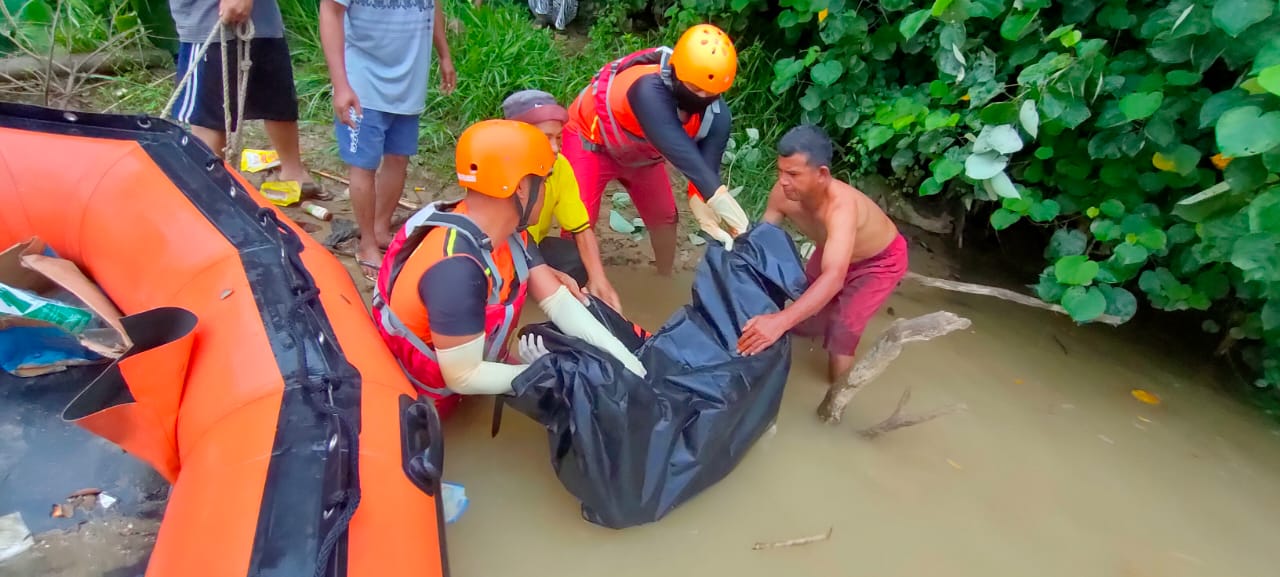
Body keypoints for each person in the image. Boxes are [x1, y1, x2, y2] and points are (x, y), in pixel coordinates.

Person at [371, 119, 646, 419]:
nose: (549, 190)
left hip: (464, 359)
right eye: (546, 179)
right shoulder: (456, 270)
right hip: (429, 396)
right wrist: (549, 372)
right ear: (521, 189)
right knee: (563, 393)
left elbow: (559, 302)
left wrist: (625, 360)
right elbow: (463, 377)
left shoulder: (507, 232)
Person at [563, 23, 750, 276]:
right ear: (675, 71)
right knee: (579, 220)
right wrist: (720, 198)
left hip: (641, 157)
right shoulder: (646, 89)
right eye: (695, 88)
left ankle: (664, 277)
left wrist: (707, 211)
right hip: (591, 141)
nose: (701, 97)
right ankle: (568, 278)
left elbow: (705, 175)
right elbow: (680, 150)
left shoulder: (716, 117)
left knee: (664, 218)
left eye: (711, 93)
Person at [737, 125, 909, 383]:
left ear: (822, 174)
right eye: (780, 171)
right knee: (804, 319)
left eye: (793, 174)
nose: (783, 180)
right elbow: (762, 245)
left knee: (842, 331)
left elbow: (833, 278)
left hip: (878, 262)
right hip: (832, 249)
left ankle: (835, 398)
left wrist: (778, 322)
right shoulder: (782, 194)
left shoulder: (841, 207)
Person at [319, 0, 457, 283]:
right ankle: (367, 243)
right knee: (363, 165)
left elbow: (434, 6)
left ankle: (381, 228)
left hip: (409, 83)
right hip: (363, 84)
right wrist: (341, 85)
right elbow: (330, 11)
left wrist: (444, 55)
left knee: (398, 159)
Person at [168, 0, 328, 200]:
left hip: (213, 18)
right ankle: (294, 174)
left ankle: (210, 193)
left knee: (207, 113)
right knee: (274, 96)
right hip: (256, 21)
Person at [501, 89, 622, 312]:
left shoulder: (560, 166)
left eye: (558, 138)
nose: (555, 149)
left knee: (577, 261)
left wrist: (599, 280)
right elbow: (500, 240)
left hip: (531, 247)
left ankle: (529, 288)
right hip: (499, 253)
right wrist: (545, 273)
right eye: (545, 138)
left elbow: (581, 228)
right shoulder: (497, 169)